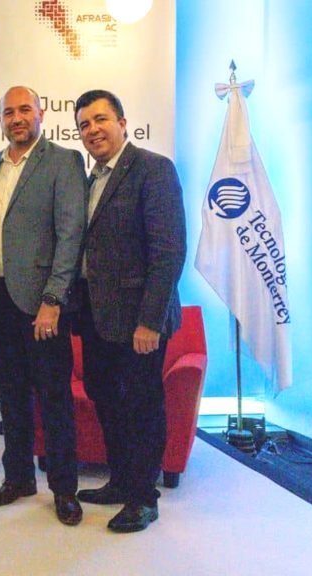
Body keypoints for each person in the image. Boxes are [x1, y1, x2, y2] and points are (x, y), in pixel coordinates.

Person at [73, 89, 186, 533]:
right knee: (106, 399)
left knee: (141, 406)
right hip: (97, 317)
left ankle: (143, 498)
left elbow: (168, 251)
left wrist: (149, 321)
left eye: (100, 119)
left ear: (122, 122)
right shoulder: (90, 179)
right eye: (84, 124)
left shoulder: (153, 169)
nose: (93, 130)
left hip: (140, 320)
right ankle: (120, 480)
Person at [0, 86, 87, 526]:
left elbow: (70, 236)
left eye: (25, 109)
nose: (17, 118)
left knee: (54, 396)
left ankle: (64, 489)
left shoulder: (63, 161)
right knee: (10, 393)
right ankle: (19, 477)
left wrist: (53, 300)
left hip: (42, 303)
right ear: (1, 121)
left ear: (41, 114)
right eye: (9, 112)